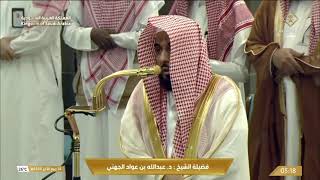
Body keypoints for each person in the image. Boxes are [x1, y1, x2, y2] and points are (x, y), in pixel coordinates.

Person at [120, 15, 249, 180]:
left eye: (171, 48)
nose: (162, 59)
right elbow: (133, 148)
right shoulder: (144, 92)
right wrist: (161, 175)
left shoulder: (224, 96)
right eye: (158, 49)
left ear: (190, 51)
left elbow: (229, 159)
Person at [63, 1, 164, 179]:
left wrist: (116, 38)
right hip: (90, 87)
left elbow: (149, 36)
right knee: (92, 154)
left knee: (125, 155)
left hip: (129, 87)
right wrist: (91, 34)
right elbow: (68, 31)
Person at [245, 0, 320, 180]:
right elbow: (253, 45)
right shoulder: (271, 6)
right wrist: (274, 56)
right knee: (283, 162)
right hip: (277, 106)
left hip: (314, 107)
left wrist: (300, 65)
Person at [0, 0, 68, 179]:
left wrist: (9, 47)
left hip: (38, 86)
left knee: (38, 151)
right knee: (8, 149)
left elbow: (43, 34)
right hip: (6, 85)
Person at [169, 0, 254, 103]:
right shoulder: (181, 6)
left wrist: (201, 64)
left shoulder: (234, 7)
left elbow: (242, 72)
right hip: (186, 99)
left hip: (223, 99)